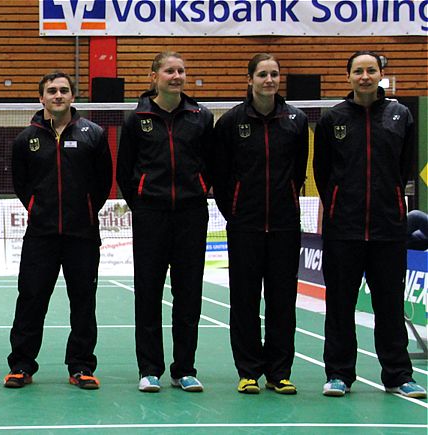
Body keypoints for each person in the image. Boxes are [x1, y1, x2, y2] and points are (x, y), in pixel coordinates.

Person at [313, 51, 426, 399]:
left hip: (388, 229)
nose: (364, 76)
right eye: (358, 71)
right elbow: (322, 172)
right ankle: (339, 375)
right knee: (341, 305)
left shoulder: (400, 115)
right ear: (347, 76)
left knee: (390, 305)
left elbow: (406, 168)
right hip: (343, 230)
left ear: (380, 75)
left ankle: (398, 375)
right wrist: (337, 205)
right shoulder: (334, 118)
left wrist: (389, 199)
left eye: (371, 70)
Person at [5, 71, 112, 390]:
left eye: (64, 90)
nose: (58, 95)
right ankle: (21, 365)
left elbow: (103, 182)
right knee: (30, 300)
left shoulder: (94, 134)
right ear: (41, 98)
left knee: (83, 302)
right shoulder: (26, 139)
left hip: (83, 235)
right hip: (41, 235)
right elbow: (21, 185)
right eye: (51, 90)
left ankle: (81, 366)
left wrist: (87, 210)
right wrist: (39, 208)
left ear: (73, 96)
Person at [116, 52, 214, 393]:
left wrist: (199, 190)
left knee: (189, 294)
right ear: (153, 76)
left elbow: (211, 164)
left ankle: (184, 369)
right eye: (170, 70)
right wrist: (142, 203)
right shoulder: (137, 118)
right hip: (151, 216)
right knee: (148, 293)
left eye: (181, 70)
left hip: (191, 214)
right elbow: (125, 170)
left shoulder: (201, 117)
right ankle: (150, 369)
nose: (177, 76)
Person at [212, 53, 309, 395]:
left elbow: (300, 171)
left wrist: (287, 201)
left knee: (282, 301)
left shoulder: (295, 120)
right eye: (263, 74)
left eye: (274, 74)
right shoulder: (230, 122)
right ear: (250, 79)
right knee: (245, 301)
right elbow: (220, 175)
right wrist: (235, 210)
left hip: (284, 225)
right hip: (245, 226)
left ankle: (279, 372)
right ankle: (249, 370)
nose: (269, 80)